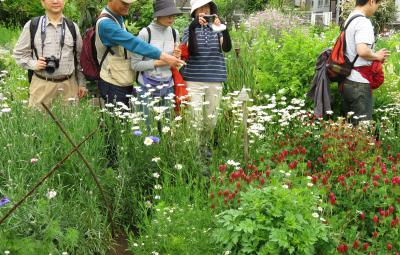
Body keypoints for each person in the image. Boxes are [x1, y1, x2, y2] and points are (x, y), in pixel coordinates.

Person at [96, 0, 185, 107]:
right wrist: (164, 57)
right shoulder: (106, 23)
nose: (128, 6)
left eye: (129, 3)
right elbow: (133, 43)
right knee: (116, 121)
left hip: (122, 78)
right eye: (124, 3)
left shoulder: (117, 18)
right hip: (113, 82)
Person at [180, 0, 231, 156]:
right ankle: (193, 151)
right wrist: (193, 27)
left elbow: (226, 48)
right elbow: (191, 52)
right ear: (194, 12)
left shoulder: (217, 29)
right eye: (200, 9)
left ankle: (204, 147)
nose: (204, 11)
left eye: (206, 8)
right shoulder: (188, 29)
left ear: (211, 10)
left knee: (211, 119)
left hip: (214, 79)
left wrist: (224, 29)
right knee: (194, 118)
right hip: (193, 80)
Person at [13, 0, 87, 108]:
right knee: (38, 123)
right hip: (41, 85)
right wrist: (34, 64)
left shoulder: (72, 27)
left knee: (69, 123)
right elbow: (19, 53)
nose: (55, 1)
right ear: (42, 2)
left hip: (69, 86)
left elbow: (80, 59)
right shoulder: (33, 25)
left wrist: (82, 84)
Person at [131, 0, 182, 133]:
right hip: (146, 87)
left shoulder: (174, 33)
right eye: (168, 15)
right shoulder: (145, 33)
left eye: (173, 15)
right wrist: (160, 62)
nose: (172, 18)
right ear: (158, 15)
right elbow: (135, 64)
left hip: (167, 86)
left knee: (165, 127)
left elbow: (175, 63)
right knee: (147, 128)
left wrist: (177, 56)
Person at [341, 0, 389, 124]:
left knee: (349, 128)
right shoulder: (363, 22)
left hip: (346, 79)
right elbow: (362, 51)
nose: (377, 8)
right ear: (371, 1)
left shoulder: (350, 19)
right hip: (359, 84)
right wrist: (377, 56)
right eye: (378, 4)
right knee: (362, 129)